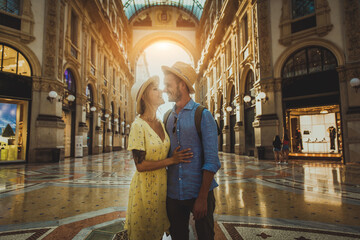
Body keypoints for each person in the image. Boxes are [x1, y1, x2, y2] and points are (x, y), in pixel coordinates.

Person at [125, 76, 193, 240]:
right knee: (144, 233)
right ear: (144, 96)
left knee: (156, 234)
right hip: (144, 190)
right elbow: (140, 165)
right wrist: (172, 160)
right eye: (155, 88)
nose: (161, 90)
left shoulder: (161, 123)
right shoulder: (138, 125)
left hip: (162, 189)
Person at [162, 62, 221, 240]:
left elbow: (212, 160)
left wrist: (202, 198)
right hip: (173, 195)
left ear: (182, 85)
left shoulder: (203, 115)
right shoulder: (167, 117)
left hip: (198, 192)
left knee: (204, 236)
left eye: (168, 85)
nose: (165, 90)